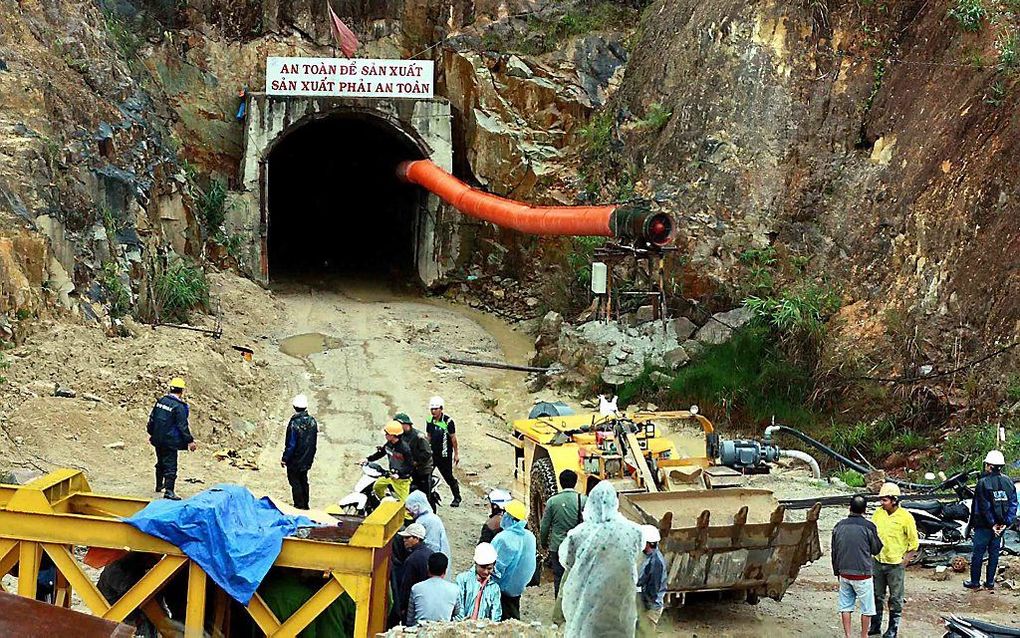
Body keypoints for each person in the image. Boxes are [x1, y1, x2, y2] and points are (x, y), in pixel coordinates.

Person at [560, 480, 643, 638]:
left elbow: (568, 563)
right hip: (620, 601)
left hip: (587, 601)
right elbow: (635, 557)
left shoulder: (577, 535)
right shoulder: (634, 531)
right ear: (615, 502)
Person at [869, 482, 918, 638]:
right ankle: (875, 626)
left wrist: (905, 561)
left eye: (885, 500)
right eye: (881, 500)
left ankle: (892, 629)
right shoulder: (878, 514)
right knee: (877, 595)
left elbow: (914, 543)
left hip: (895, 565)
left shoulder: (906, 518)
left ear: (894, 500)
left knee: (895, 598)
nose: (882, 503)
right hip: (878, 561)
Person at [964, 449, 1018, 591]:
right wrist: (1006, 523)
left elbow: (983, 506)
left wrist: (992, 524)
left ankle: (975, 582)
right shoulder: (1009, 482)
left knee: (978, 554)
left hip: (984, 527)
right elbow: (1013, 504)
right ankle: (990, 582)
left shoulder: (982, 483)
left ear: (989, 465)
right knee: (994, 554)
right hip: (1000, 527)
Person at [832, 495, 883, 638]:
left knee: (845, 606)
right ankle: (864, 635)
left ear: (850, 507)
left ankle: (848, 635)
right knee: (867, 608)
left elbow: (834, 552)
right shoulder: (869, 527)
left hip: (844, 573)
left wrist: (837, 572)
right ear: (865, 510)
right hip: (863, 574)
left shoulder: (839, 526)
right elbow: (876, 549)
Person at [146, 377, 197, 500]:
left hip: (158, 438)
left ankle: (159, 485)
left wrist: (152, 433)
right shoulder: (179, 407)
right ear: (182, 391)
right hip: (170, 441)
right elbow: (182, 426)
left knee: (160, 461)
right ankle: (169, 491)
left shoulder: (161, 401)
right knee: (170, 465)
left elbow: (152, 419)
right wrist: (189, 441)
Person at [539, 470, 587, 596]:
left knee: (559, 578)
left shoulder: (553, 502)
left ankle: (559, 606)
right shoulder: (583, 500)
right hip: (576, 545)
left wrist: (543, 543)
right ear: (575, 483)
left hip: (557, 546)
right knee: (576, 577)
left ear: (560, 483)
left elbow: (544, 526)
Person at [490, 499, 536, 621]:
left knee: (501, 619)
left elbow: (495, 567)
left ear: (510, 517)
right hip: (518, 588)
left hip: (501, 589)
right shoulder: (530, 537)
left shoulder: (503, 539)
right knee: (513, 615)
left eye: (505, 513)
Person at [280, 394, 317, 510]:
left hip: (295, 460)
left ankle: (299, 505)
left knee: (295, 482)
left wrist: (285, 458)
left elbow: (291, 445)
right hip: (307, 458)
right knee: (304, 480)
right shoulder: (312, 422)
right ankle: (305, 504)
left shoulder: (293, 424)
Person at [363, 421, 414, 505]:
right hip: (391, 475)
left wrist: (399, 474)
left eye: (387, 434)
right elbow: (381, 453)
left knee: (403, 506)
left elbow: (410, 466)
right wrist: (368, 459)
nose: (385, 435)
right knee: (377, 487)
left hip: (402, 481)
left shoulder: (404, 449)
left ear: (393, 435)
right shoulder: (389, 444)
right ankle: (384, 504)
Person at [425, 396, 461, 507]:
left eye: (436, 409)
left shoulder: (448, 422)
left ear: (441, 409)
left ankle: (457, 497)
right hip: (432, 454)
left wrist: (456, 454)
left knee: (448, 476)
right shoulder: (429, 420)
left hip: (444, 455)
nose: (433, 411)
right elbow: (429, 436)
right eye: (432, 409)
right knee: (426, 474)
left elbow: (453, 439)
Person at [406, 552, 458, 626]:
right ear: (445, 570)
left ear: (428, 567)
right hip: (442, 631)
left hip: (420, 630)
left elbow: (410, 619)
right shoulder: (455, 589)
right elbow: (457, 612)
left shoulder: (416, 588)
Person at [454, 543, 502, 621]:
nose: (486, 572)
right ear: (476, 564)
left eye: (489, 568)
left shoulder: (494, 587)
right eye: (483, 567)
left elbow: (496, 613)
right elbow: (459, 605)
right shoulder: (463, 579)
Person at [395, 412, 434, 504]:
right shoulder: (400, 436)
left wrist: (416, 462)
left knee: (424, 495)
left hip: (422, 469)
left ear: (406, 424)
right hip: (409, 468)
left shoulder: (419, 436)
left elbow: (427, 453)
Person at [397, 523, 433, 623]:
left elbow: (406, 586)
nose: (404, 540)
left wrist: (402, 607)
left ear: (416, 538)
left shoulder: (412, 559)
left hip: (414, 604)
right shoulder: (430, 553)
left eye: (407, 537)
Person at [404, 490, 451, 561]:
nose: (408, 513)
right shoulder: (430, 518)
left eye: (409, 509)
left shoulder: (427, 521)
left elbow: (432, 546)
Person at [637, 524, 668, 625]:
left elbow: (652, 590)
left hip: (650, 608)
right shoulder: (646, 555)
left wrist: (643, 609)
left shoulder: (656, 562)